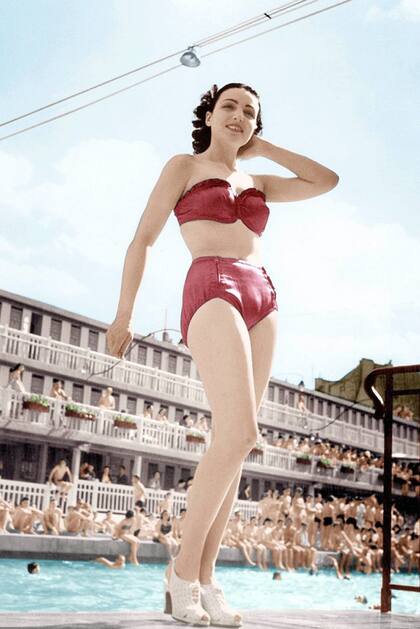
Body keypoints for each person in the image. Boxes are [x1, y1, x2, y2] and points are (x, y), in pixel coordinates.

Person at [105, 81, 338, 626]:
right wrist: (124, 313)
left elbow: (325, 181)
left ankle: (207, 578)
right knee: (241, 434)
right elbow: (142, 238)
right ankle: (182, 573)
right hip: (210, 284)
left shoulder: (256, 178)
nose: (238, 115)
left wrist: (265, 147)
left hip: (263, 296)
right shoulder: (182, 166)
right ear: (209, 114)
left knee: (233, 447)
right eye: (229, 106)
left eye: (250, 112)